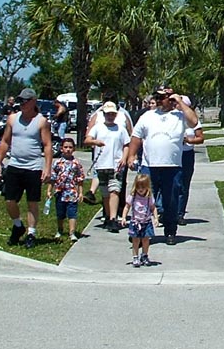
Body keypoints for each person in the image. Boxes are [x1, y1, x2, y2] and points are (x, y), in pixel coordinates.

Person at [127, 85, 198, 246]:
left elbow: (194, 122)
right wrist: (131, 155)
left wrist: (180, 102)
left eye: (162, 97)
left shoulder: (180, 116)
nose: (158, 100)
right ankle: (141, 232)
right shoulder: (147, 116)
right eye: (156, 98)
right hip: (149, 165)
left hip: (172, 166)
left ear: (170, 99)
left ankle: (170, 231)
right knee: (143, 200)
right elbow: (136, 137)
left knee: (171, 201)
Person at [0, 87, 53, 247]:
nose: (22, 104)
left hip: (33, 167)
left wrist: (47, 168)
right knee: (10, 200)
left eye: (25, 101)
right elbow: (5, 141)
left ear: (33, 101)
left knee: (32, 202)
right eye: (20, 101)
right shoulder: (13, 119)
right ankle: (18, 226)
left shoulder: (41, 121)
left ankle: (31, 233)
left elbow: (47, 145)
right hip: (15, 164)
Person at [83, 101, 131, 230]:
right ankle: (108, 217)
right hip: (101, 164)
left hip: (116, 165)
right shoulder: (98, 127)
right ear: (104, 114)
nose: (110, 116)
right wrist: (95, 142)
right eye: (108, 114)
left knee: (115, 191)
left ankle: (113, 218)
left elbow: (126, 144)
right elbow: (87, 140)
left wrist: (124, 158)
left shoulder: (121, 129)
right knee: (105, 194)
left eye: (113, 114)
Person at [48, 137, 86, 242]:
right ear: (61, 148)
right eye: (66, 147)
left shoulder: (76, 163)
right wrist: (49, 190)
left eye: (70, 147)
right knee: (60, 213)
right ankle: (59, 230)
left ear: (74, 149)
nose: (68, 149)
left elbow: (80, 179)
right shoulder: (57, 163)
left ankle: (72, 232)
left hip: (72, 192)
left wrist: (81, 192)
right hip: (60, 192)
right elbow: (53, 177)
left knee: (72, 212)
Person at [122, 172, 159, 267]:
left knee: (146, 240)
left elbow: (153, 207)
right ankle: (135, 256)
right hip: (135, 222)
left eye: (143, 187)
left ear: (147, 187)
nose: (140, 189)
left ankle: (145, 255)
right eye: (138, 187)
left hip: (146, 222)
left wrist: (156, 218)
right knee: (136, 240)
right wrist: (124, 217)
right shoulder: (133, 196)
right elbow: (127, 207)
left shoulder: (149, 197)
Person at [178, 95, 205, 222]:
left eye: (181, 104)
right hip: (173, 154)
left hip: (186, 155)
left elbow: (200, 138)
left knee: (183, 185)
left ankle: (180, 213)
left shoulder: (193, 120)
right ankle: (165, 211)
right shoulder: (172, 117)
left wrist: (189, 140)